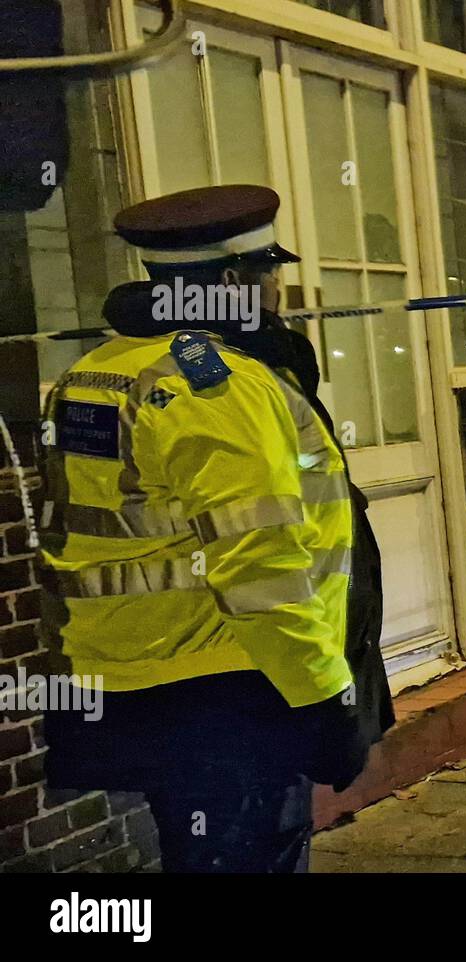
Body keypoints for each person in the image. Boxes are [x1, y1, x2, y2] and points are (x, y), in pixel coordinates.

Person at [39, 185, 393, 873]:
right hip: (234, 683)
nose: (278, 289)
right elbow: (259, 564)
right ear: (234, 280)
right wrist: (324, 700)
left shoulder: (95, 372)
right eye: (270, 272)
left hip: (134, 676)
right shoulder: (217, 385)